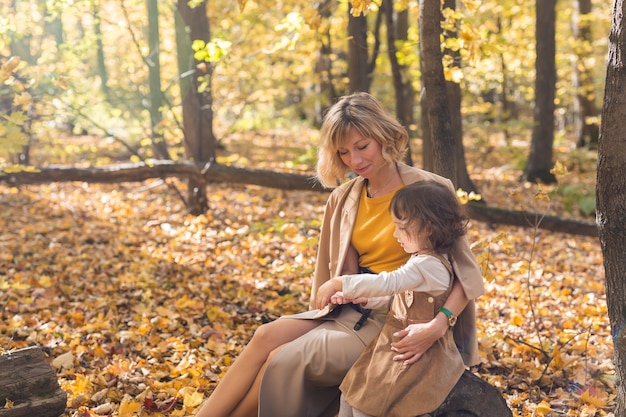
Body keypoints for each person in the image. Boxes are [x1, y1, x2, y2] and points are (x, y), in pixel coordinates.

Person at [194, 92, 484, 417]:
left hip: (401, 321)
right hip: (352, 310)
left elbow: (467, 274)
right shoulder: (344, 197)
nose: (355, 160)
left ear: (384, 136)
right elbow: (333, 272)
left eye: (362, 146)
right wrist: (329, 303)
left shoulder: (430, 189)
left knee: (283, 361)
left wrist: (438, 325)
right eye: (343, 152)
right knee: (266, 337)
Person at [315, 180, 469, 417]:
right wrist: (365, 300)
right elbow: (401, 298)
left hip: (412, 353)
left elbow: (389, 282)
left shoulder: (428, 265)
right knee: (350, 394)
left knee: (371, 406)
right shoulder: (422, 259)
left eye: (401, 227)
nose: (395, 234)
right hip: (391, 343)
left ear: (428, 228)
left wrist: (341, 283)